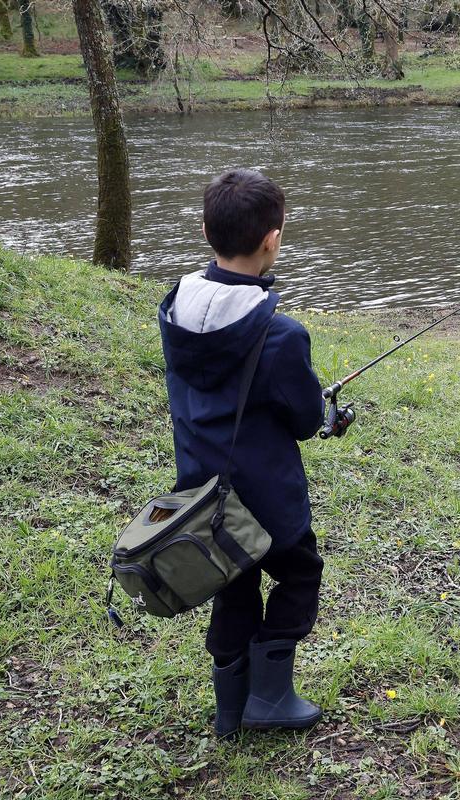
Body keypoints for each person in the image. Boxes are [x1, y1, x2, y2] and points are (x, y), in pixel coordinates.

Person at [158, 169, 326, 738]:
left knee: (232, 583)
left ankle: (230, 709)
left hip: (201, 497)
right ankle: (270, 697)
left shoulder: (175, 308)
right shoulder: (281, 335)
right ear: (272, 239)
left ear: (207, 231)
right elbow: (306, 421)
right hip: (267, 501)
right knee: (300, 575)